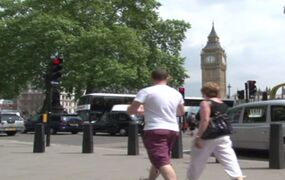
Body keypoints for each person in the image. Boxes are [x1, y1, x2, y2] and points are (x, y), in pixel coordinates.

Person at [127, 68, 185, 180]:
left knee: (162, 162)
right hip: (173, 130)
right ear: (168, 78)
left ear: (152, 78)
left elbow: (132, 110)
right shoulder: (176, 93)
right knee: (159, 159)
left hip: (155, 130)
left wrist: (130, 108)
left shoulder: (146, 91)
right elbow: (181, 112)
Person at [186, 82, 245, 180]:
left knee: (197, 161)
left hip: (208, 136)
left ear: (204, 92)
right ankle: (237, 176)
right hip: (222, 135)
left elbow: (205, 120)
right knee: (229, 158)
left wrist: (199, 137)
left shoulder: (206, 103)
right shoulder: (223, 104)